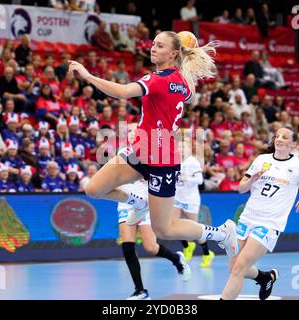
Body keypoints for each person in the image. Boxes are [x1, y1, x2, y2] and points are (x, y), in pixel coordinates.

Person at [68, 31, 238, 255]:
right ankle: (139, 202)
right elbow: (184, 92)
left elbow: (122, 92)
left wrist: (88, 75)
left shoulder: (158, 79)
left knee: (164, 230)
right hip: (140, 150)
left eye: (159, 46)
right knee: (94, 189)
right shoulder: (183, 83)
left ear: (174, 53)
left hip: (162, 161)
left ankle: (222, 234)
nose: (153, 48)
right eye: (153, 44)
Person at [220, 127, 299, 300]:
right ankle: (265, 278)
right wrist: (251, 180)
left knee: (239, 268)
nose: (279, 139)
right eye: (277, 136)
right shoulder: (262, 160)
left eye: (285, 137)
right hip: (246, 219)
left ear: (293, 144)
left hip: (269, 224)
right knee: (234, 267)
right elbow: (241, 188)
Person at [117, 123, 191, 300]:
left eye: (135, 131)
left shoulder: (151, 153)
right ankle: (140, 291)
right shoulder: (122, 152)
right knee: (127, 246)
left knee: (150, 247)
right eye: (129, 131)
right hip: (126, 201)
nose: (131, 133)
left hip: (145, 202)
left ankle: (176, 259)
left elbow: (160, 177)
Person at [174, 137, 215, 268]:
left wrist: (185, 178)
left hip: (190, 199)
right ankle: (187, 245)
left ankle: (207, 253)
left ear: (188, 149)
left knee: (195, 229)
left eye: (183, 147)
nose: (180, 149)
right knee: (172, 224)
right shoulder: (175, 160)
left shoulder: (193, 162)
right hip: (177, 198)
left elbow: (199, 180)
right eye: (178, 147)